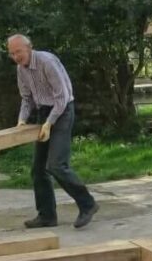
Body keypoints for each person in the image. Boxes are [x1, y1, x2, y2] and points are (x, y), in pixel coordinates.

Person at [8, 34, 99, 229]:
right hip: (44, 112)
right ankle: (47, 216)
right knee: (38, 170)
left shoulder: (47, 62)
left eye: (19, 52)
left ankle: (87, 204)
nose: (16, 56)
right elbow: (26, 98)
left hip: (63, 110)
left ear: (29, 48)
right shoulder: (20, 69)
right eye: (12, 53)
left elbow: (62, 96)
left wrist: (49, 124)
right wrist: (22, 120)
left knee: (57, 165)